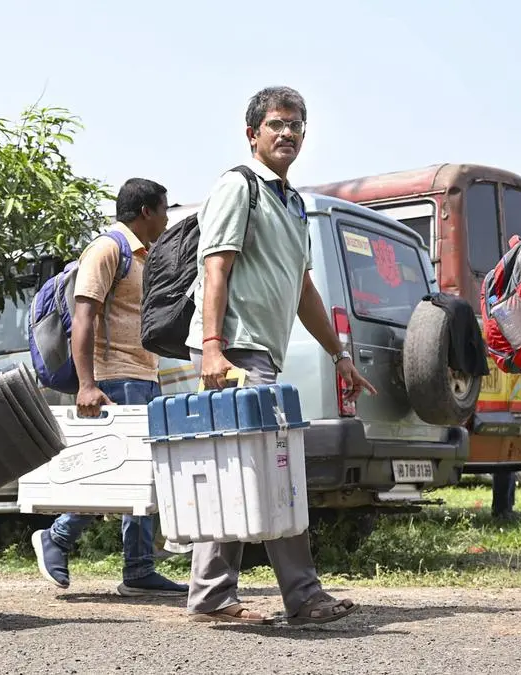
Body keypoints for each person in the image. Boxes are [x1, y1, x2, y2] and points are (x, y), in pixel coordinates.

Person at [184, 86, 376, 625]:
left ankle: (216, 596)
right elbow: (215, 268)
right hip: (235, 352)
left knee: (250, 473)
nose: (287, 133)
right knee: (270, 472)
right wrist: (213, 348)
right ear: (253, 134)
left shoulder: (292, 203)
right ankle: (297, 595)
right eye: (276, 124)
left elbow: (303, 290)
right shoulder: (237, 186)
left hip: (261, 353)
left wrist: (339, 356)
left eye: (296, 124)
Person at [31, 178, 189, 597]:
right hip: (114, 375)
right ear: (145, 213)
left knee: (142, 473)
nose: (168, 218)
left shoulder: (143, 255)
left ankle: (138, 569)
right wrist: (86, 384)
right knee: (116, 472)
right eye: (164, 209)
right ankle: (57, 536)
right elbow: (84, 317)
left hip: (143, 374)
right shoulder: (107, 250)